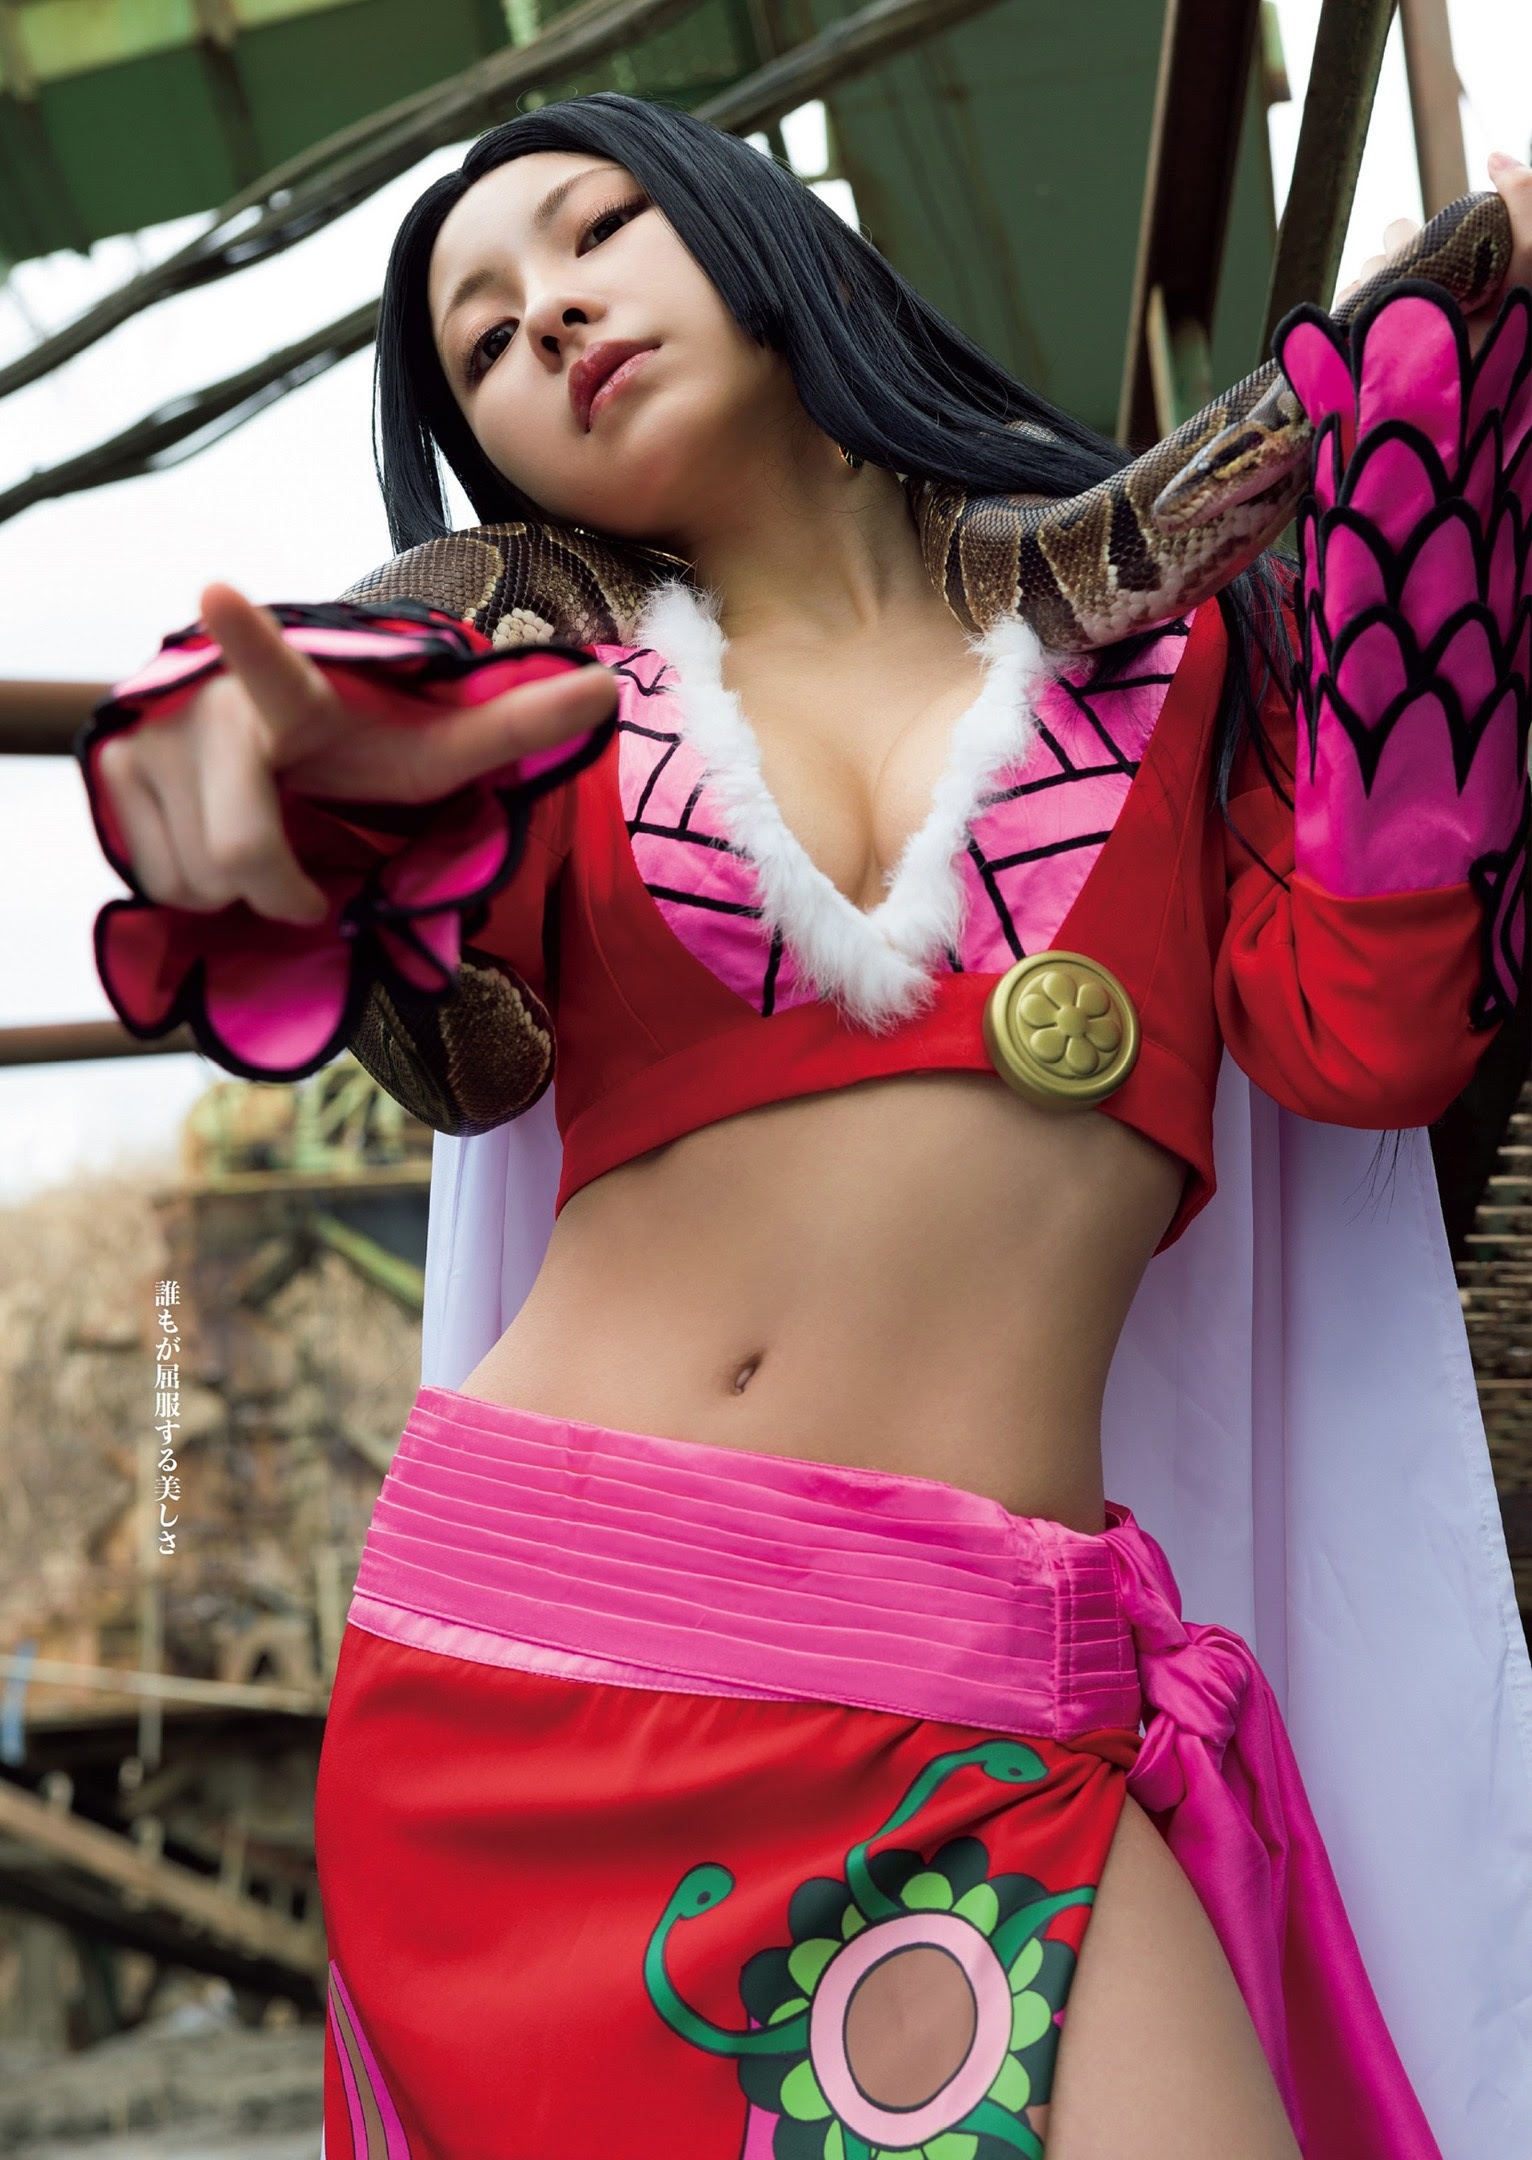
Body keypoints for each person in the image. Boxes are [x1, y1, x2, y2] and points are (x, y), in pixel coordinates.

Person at [78, 98, 1532, 2160]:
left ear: (758, 227)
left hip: (987, 1668)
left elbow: (1362, 1041)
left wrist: (1432, 619)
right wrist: (242, 783)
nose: (545, 314)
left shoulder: (1189, 647)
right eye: (481, 340)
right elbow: (347, 812)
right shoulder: (538, 695)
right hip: (527, 1666)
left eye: (595, 229)